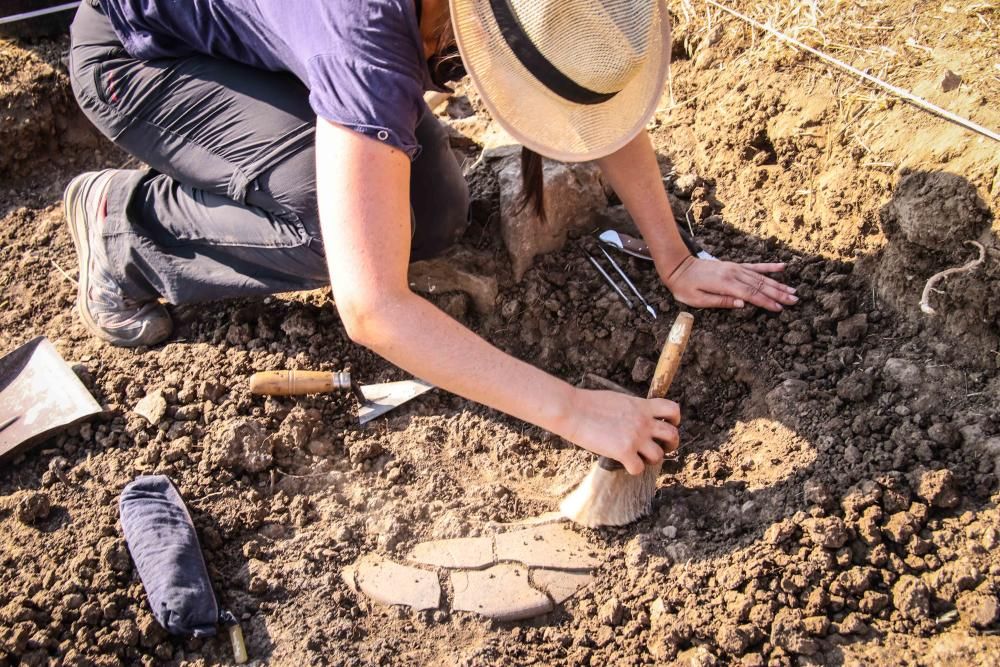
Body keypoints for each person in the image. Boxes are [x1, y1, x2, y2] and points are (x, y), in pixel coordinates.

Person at [64, 0, 798, 475]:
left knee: (434, 213)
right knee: (334, 227)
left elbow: (586, 88)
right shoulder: (364, 31)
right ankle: (127, 228)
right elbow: (373, 306)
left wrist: (674, 257)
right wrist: (572, 409)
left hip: (273, 40)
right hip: (141, 58)